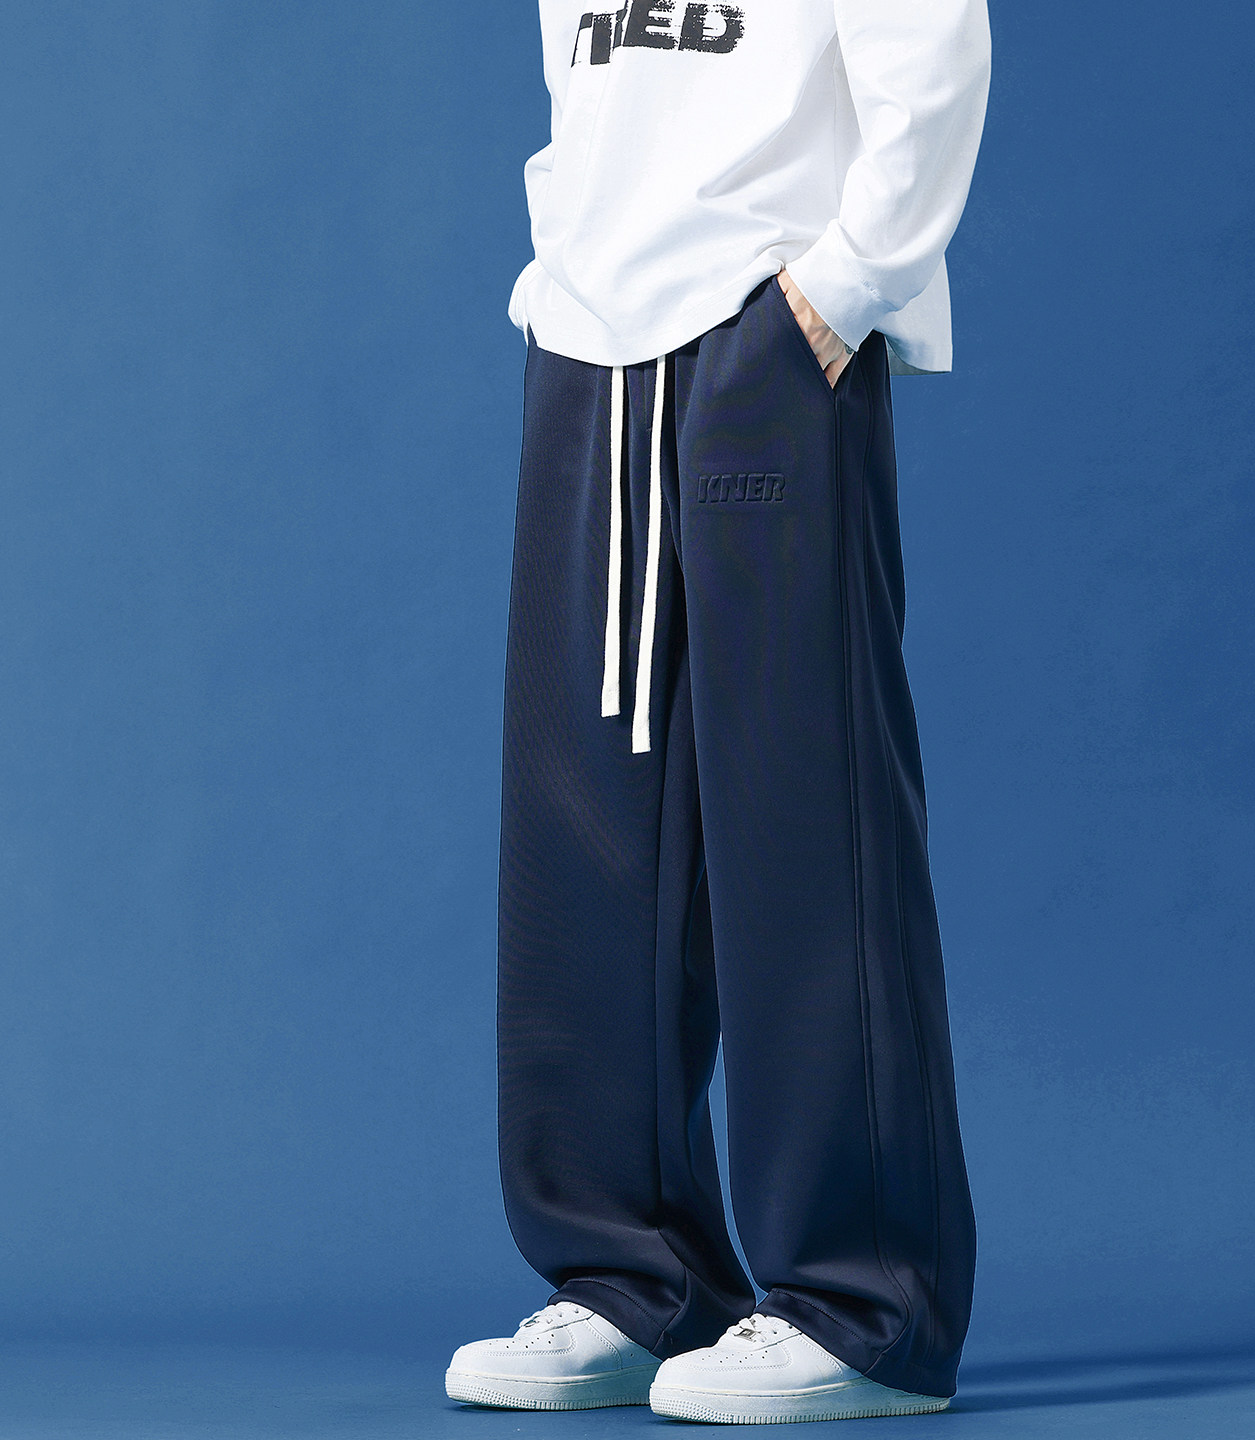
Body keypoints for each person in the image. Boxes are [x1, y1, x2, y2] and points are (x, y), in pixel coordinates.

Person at [445, 0, 992, 1423]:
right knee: (586, 827)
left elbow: (933, 51)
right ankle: (635, 1278)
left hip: (768, 328)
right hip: (591, 340)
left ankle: (869, 1306)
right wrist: (569, 259)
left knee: (804, 814)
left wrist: (844, 288)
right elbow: (584, 76)